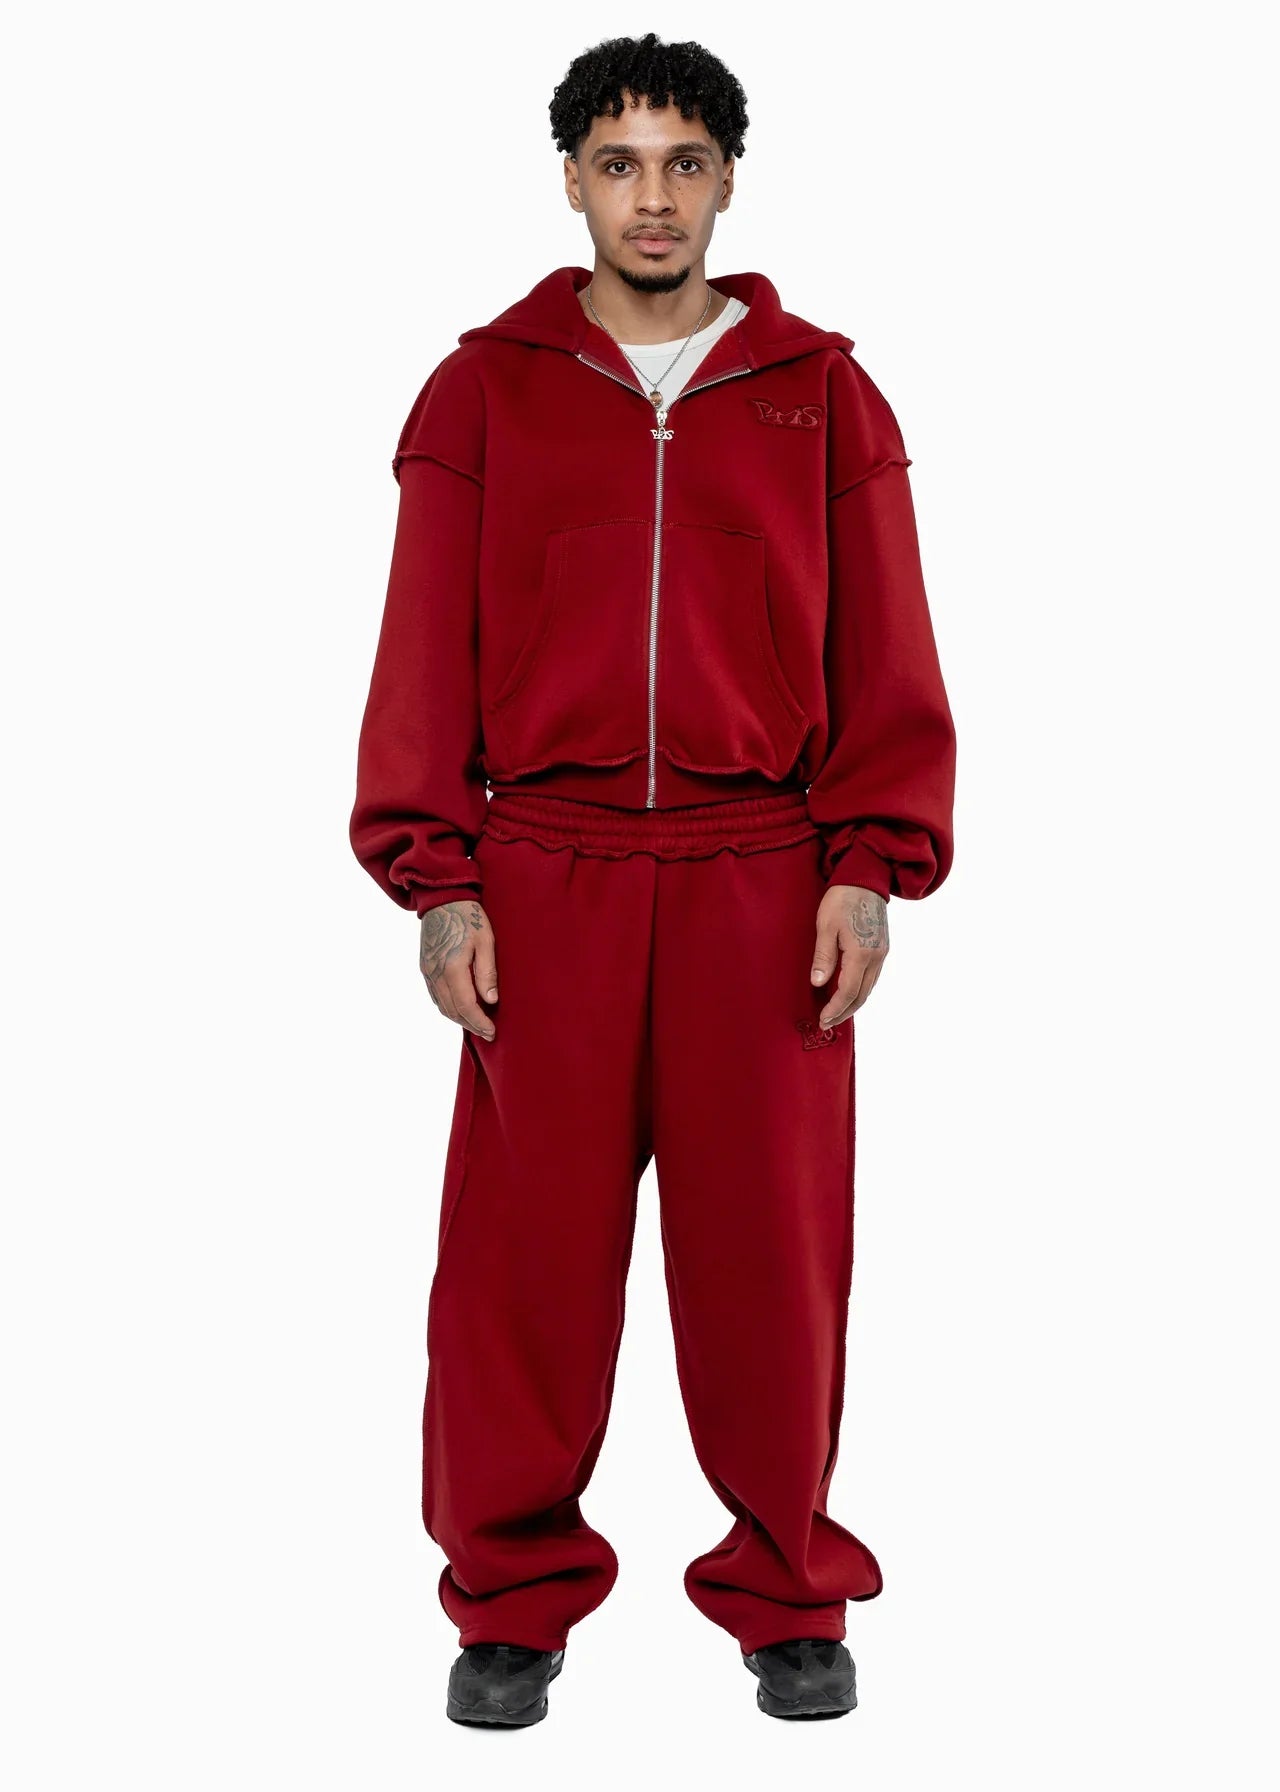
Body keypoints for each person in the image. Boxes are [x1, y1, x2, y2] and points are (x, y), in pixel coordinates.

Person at [350, 31, 956, 1727]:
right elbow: (420, 651)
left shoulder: (824, 391)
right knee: (519, 1272)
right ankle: (510, 1599)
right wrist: (439, 877)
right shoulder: (482, 390)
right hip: (543, 878)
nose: (654, 195)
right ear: (570, 181)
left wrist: (869, 864)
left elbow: (888, 647)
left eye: (685, 161)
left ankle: (788, 1589)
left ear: (729, 180)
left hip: (763, 878)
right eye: (619, 161)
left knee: (774, 1263)